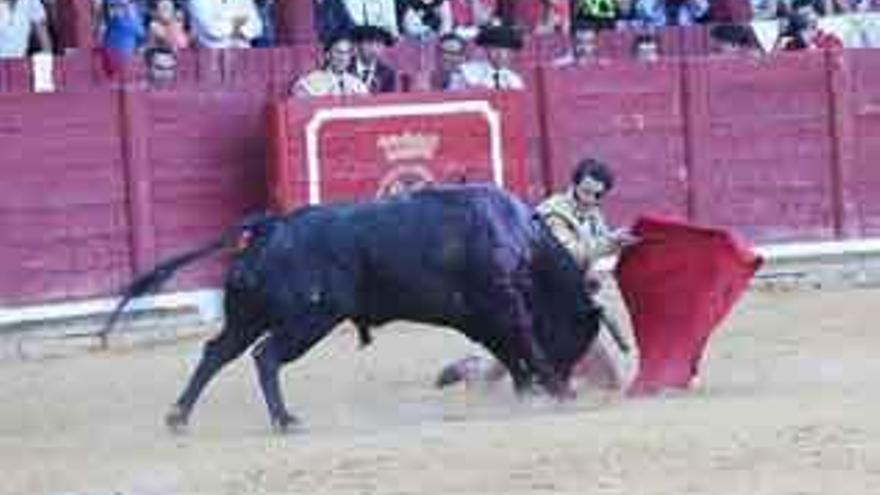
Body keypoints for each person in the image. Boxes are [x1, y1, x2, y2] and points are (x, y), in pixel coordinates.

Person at [435, 158, 638, 392]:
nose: (589, 200)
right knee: (604, 382)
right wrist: (611, 243)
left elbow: (589, 257)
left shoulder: (592, 215)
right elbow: (568, 257)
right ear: (573, 185)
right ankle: (475, 370)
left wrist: (598, 267)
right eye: (585, 192)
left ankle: (471, 368)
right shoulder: (553, 215)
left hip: (559, 304)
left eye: (596, 195)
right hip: (544, 304)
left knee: (510, 364)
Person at [289, 33, 369, 97]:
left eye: (347, 53)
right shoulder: (310, 81)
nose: (343, 58)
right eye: (339, 52)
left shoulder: (357, 84)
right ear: (327, 55)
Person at [452, 23, 525, 90]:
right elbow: (451, 96)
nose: (500, 55)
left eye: (505, 51)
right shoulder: (466, 72)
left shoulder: (513, 79)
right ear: (486, 50)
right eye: (495, 50)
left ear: (510, 53)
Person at [351, 24, 397, 93]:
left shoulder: (388, 73)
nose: (374, 48)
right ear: (358, 44)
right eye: (370, 43)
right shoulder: (346, 68)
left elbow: (389, 100)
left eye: (378, 43)